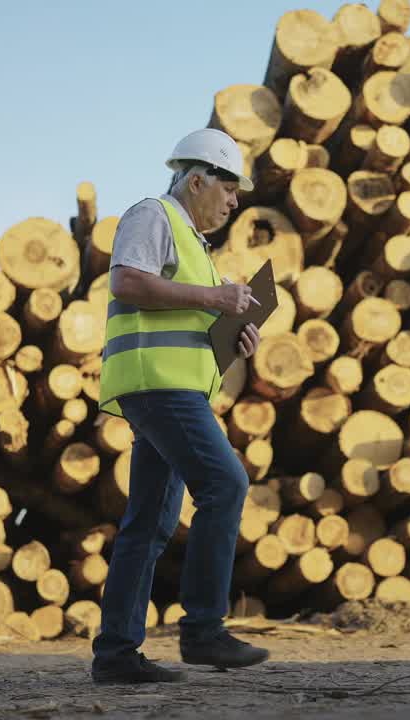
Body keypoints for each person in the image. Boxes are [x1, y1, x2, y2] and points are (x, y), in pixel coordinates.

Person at [91, 128, 270, 684]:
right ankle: (203, 631)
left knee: (149, 523)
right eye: (229, 187)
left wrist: (233, 337)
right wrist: (216, 298)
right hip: (158, 387)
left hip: (172, 388)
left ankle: (117, 655)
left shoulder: (196, 246)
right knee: (226, 484)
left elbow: (185, 319)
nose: (234, 200)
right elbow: (126, 282)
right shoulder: (154, 215)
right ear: (197, 180)